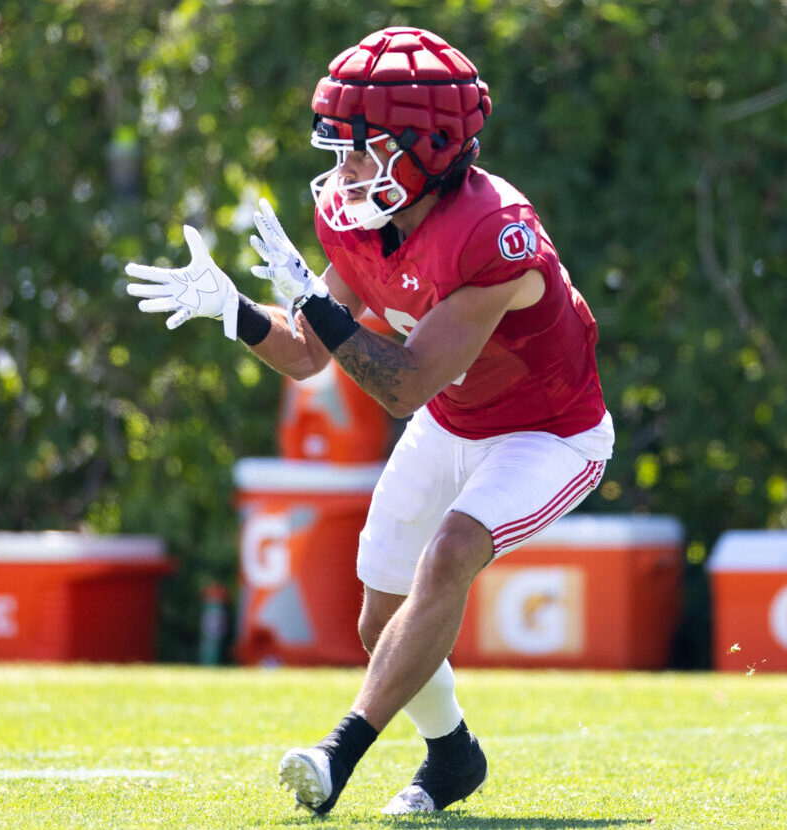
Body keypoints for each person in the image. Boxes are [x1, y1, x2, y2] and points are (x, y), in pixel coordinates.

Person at [124, 27, 613, 816]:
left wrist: (317, 301)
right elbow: (305, 355)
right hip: (455, 423)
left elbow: (403, 385)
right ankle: (454, 758)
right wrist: (234, 312)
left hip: (549, 432)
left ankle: (338, 751)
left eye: (362, 150)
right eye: (340, 149)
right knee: (378, 614)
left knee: (450, 552)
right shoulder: (353, 218)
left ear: (428, 148)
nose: (343, 171)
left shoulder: (493, 235)